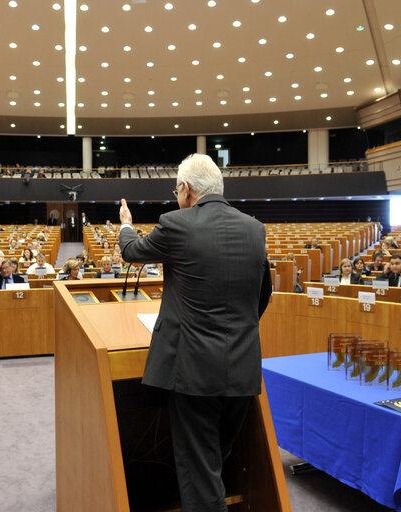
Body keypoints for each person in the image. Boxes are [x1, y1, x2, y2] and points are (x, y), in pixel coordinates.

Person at [118, 153, 272, 511]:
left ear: (185, 189)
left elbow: (130, 252)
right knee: (215, 461)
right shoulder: (254, 228)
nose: (176, 197)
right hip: (242, 367)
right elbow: (261, 295)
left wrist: (126, 223)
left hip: (194, 373)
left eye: (176, 190)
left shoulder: (177, 224)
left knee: (199, 473)